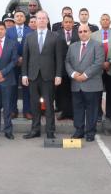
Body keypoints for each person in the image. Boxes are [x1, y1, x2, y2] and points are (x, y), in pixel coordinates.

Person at [21, 11, 64, 139]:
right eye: (38, 18)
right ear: (35, 21)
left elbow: (59, 58)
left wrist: (58, 75)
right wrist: (24, 75)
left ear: (47, 20)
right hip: (33, 76)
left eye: (43, 18)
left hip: (49, 76)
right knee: (34, 105)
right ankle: (35, 130)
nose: (41, 20)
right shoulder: (29, 37)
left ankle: (50, 131)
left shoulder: (55, 36)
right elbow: (25, 58)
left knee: (49, 105)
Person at [65, 24, 105, 142]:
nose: (83, 33)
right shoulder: (73, 46)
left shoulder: (97, 45)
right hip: (76, 84)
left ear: (90, 32)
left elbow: (98, 63)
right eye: (80, 31)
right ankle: (79, 130)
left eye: (85, 31)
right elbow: (67, 62)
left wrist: (85, 75)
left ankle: (90, 132)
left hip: (92, 84)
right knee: (77, 109)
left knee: (92, 110)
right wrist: (73, 74)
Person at [91, 13, 111, 122]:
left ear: (110, 22)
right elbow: (92, 52)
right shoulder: (93, 35)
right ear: (100, 22)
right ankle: (98, 113)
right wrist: (101, 63)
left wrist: (109, 62)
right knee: (97, 92)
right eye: (103, 19)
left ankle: (110, 113)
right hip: (98, 69)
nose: (105, 21)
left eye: (107, 19)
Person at [7, 11, 33, 119]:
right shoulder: (8, 31)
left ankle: (27, 110)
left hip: (27, 63)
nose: (19, 17)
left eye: (21, 16)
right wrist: (17, 58)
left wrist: (24, 58)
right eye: (17, 16)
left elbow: (32, 46)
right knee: (12, 87)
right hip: (13, 63)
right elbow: (7, 46)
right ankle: (13, 110)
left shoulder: (30, 30)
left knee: (26, 87)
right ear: (14, 18)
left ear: (24, 18)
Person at [55, 15, 79, 120]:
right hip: (62, 68)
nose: (68, 24)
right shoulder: (57, 34)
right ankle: (64, 112)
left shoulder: (78, 33)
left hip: (75, 68)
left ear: (73, 23)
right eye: (66, 22)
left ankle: (73, 113)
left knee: (73, 91)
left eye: (70, 22)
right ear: (62, 23)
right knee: (63, 92)